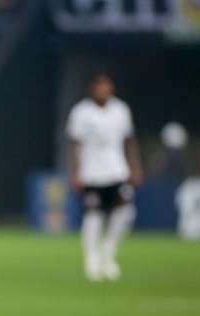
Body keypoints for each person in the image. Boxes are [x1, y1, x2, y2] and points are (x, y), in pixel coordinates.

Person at [66, 72, 143, 282]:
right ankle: (91, 259)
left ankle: (108, 252)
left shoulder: (120, 110)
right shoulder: (82, 112)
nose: (103, 90)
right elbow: (75, 143)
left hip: (116, 170)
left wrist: (135, 167)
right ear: (92, 88)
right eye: (100, 86)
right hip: (91, 173)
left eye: (106, 86)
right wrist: (75, 171)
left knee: (126, 211)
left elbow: (129, 140)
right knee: (94, 216)